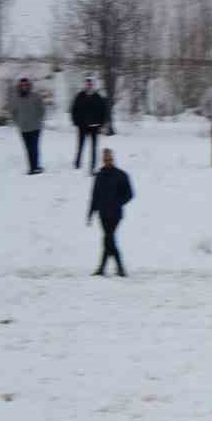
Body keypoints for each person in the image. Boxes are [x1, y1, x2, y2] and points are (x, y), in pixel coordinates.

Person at [86, 147, 134, 277]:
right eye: (106, 159)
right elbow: (94, 195)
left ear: (113, 159)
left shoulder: (121, 175)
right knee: (109, 240)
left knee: (109, 238)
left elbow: (130, 194)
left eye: (110, 159)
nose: (108, 161)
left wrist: (118, 202)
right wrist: (90, 213)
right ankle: (112, 269)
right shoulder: (99, 176)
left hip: (116, 214)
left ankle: (115, 268)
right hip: (103, 213)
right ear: (103, 160)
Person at [71, 77, 108, 174]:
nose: (89, 85)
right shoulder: (80, 95)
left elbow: (103, 111)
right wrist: (76, 122)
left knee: (94, 147)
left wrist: (101, 124)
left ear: (93, 85)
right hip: (82, 126)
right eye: (88, 84)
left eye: (91, 84)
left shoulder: (98, 97)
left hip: (94, 127)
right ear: (85, 85)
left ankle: (93, 166)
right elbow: (74, 109)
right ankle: (77, 163)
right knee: (80, 146)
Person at [9, 76, 45, 175]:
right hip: (23, 128)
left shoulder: (36, 96)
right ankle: (32, 168)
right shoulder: (16, 98)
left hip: (35, 127)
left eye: (26, 85)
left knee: (34, 147)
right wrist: (18, 122)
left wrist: (38, 119)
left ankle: (36, 167)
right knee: (28, 148)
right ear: (19, 86)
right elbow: (13, 112)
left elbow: (42, 110)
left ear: (29, 85)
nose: (24, 86)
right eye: (22, 85)